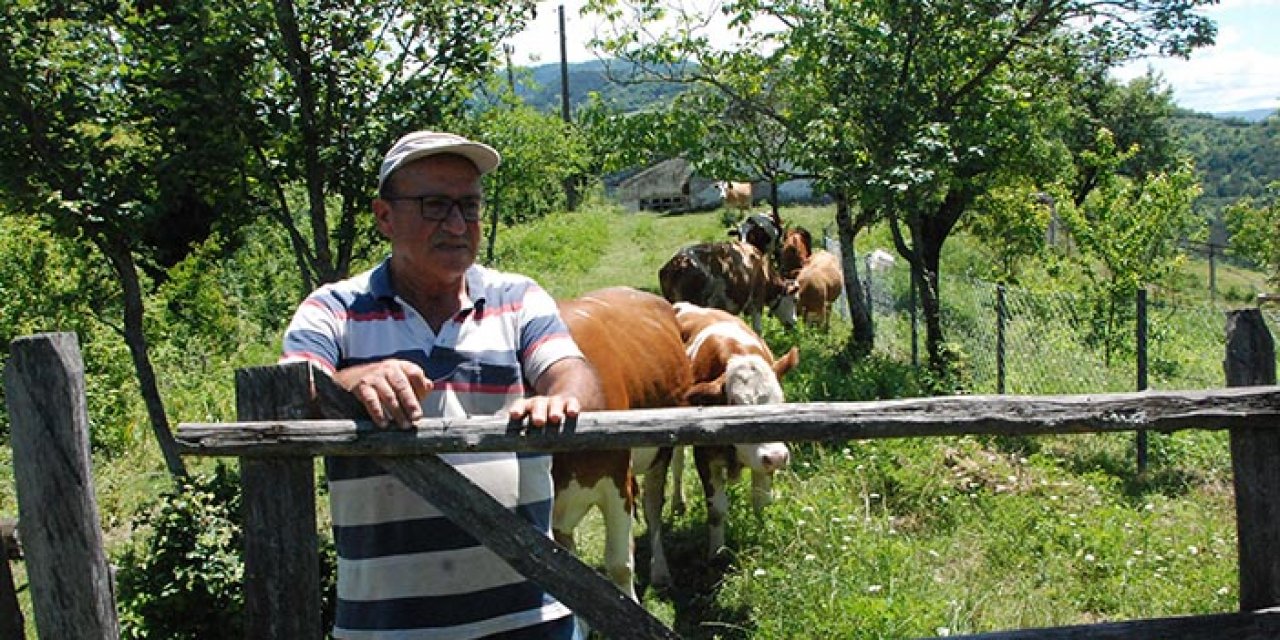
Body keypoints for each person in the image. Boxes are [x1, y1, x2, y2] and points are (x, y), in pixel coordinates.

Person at [280, 130, 604, 639]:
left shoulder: (518, 299)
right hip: (388, 628)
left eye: (470, 206)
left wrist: (563, 398)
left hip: (532, 617)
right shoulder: (333, 310)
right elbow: (292, 391)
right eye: (435, 205)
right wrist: (354, 381)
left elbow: (573, 370)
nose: (457, 224)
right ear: (384, 216)